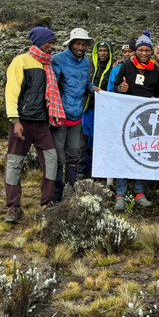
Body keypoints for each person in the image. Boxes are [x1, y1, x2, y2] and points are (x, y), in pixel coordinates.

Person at [3, 27, 62, 223]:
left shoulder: (48, 65)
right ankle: (13, 207)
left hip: (42, 123)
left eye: (53, 42)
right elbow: (11, 92)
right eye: (49, 42)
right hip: (22, 122)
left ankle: (47, 203)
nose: (51, 46)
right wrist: (15, 120)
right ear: (38, 42)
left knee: (51, 160)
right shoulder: (21, 61)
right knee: (14, 162)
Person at [112, 31, 159, 212]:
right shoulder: (126, 67)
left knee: (142, 154)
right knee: (124, 153)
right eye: (141, 50)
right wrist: (122, 88)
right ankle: (120, 195)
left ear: (151, 52)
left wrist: (155, 99)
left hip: (146, 119)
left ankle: (139, 192)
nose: (144, 53)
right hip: (127, 118)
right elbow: (115, 87)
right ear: (136, 51)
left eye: (147, 50)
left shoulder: (156, 71)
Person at [51, 27, 94, 202]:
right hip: (60, 117)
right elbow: (53, 88)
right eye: (78, 43)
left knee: (74, 153)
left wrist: (92, 88)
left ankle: (70, 189)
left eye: (84, 44)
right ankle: (55, 194)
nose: (81, 47)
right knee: (57, 156)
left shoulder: (86, 62)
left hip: (77, 116)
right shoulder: (58, 60)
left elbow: (85, 85)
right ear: (71, 44)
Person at [80, 41, 113, 178]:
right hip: (88, 109)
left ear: (110, 53)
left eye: (105, 51)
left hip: (104, 112)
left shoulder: (114, 68)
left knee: (100, 141)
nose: (103, 53)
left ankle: (99, 171)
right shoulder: (89, 65)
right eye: (100, 50)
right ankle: (83, 170)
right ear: (96, 52)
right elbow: (84, 82)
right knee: (84, 141)